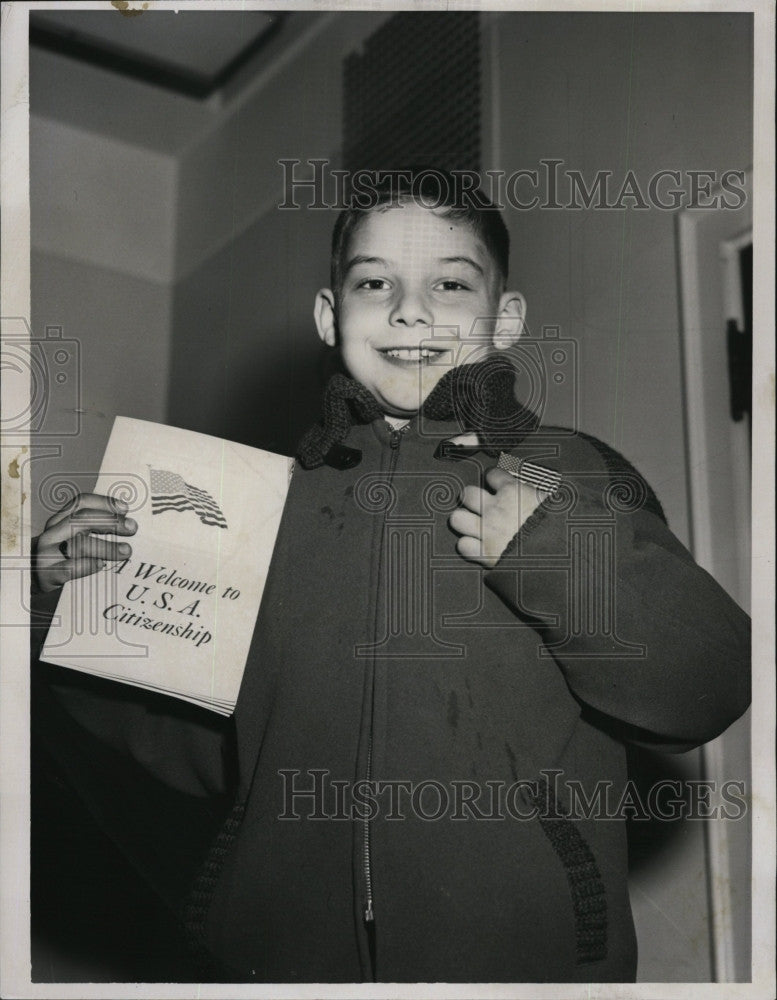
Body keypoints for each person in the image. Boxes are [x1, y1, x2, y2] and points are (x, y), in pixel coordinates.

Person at [31, 170, 751, 983]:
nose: (411, 310)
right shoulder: (259, 508)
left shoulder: (569, 473)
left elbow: (707, 681)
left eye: (449, 282)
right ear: (329, 315)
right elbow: (206, 747)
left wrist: (552, 552)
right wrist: (76, 605)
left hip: (518, 962)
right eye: (375, 283)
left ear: (504, 318)